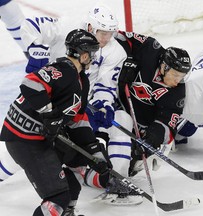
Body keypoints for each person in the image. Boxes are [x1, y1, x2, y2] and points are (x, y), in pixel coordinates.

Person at [0, 1, 130, 186]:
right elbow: (31, 25)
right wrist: (36, 49)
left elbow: (106, 85)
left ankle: (111, 180)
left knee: (100, 133)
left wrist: (104, 104)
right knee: (30, 144)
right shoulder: (68, 28)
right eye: (103, 33)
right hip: (48, 96)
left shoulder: (115, 51)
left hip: (78, 102)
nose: (107, 38)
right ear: (91, 27)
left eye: (111, 33)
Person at [0, 29, 113, 216]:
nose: (93, 58)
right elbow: (30, 84)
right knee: (57, 197)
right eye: (91, 54)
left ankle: (66, 212)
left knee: (78, 161)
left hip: (42, 136)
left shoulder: (81, 81)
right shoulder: (63, 70)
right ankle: (59, 207)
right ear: (84, 55)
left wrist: (94, 151)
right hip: (25, 139)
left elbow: (77, 120)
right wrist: (49, 114)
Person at [112, 31, 192, 175]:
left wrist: (154, 137)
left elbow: (168, 121)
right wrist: (128, 57)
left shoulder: (177, 91)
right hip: (113, 96)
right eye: (174, 75)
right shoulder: (150, 48)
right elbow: (119, 36)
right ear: (164, 67)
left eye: (181, 77)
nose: (177, 81)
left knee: (132, 161)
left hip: (139, 125)